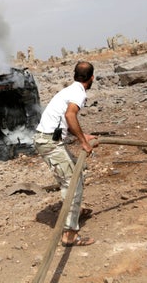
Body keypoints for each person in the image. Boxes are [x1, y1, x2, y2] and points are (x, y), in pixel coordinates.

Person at [33, 61, 97, 247]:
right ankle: (69, 234)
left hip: (48, 140)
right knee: (72, 184)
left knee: (76, 170)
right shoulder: (78, 92)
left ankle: (75, 212)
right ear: (91, 78)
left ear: (75, 75)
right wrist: (83, 143)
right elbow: (70, 116)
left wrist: (82, 135)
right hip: (49, 143)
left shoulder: (69, 90)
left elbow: (62, 120)